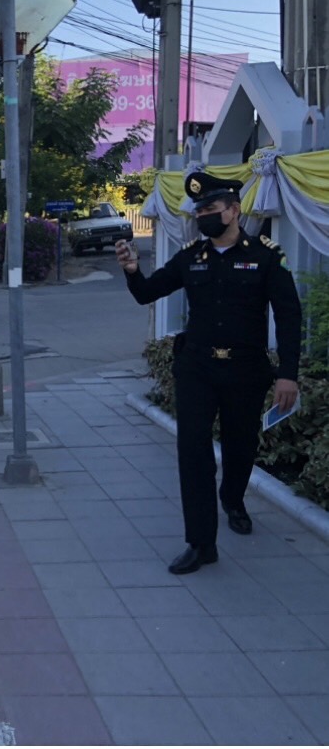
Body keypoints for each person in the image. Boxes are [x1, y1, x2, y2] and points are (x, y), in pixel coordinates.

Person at [117, 171, 301, 575]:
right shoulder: (190, 257)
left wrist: (288, 373)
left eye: (210, 209)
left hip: (245, 369)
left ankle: (232, 500)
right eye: (199, 211)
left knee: (240, 445)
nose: (203, 216)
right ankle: (201, 543)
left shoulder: (266, 256)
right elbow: (148, 293)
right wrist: (132, 270)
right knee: (193, 452)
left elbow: (289, 316)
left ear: (233, 211)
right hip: (197, 368)